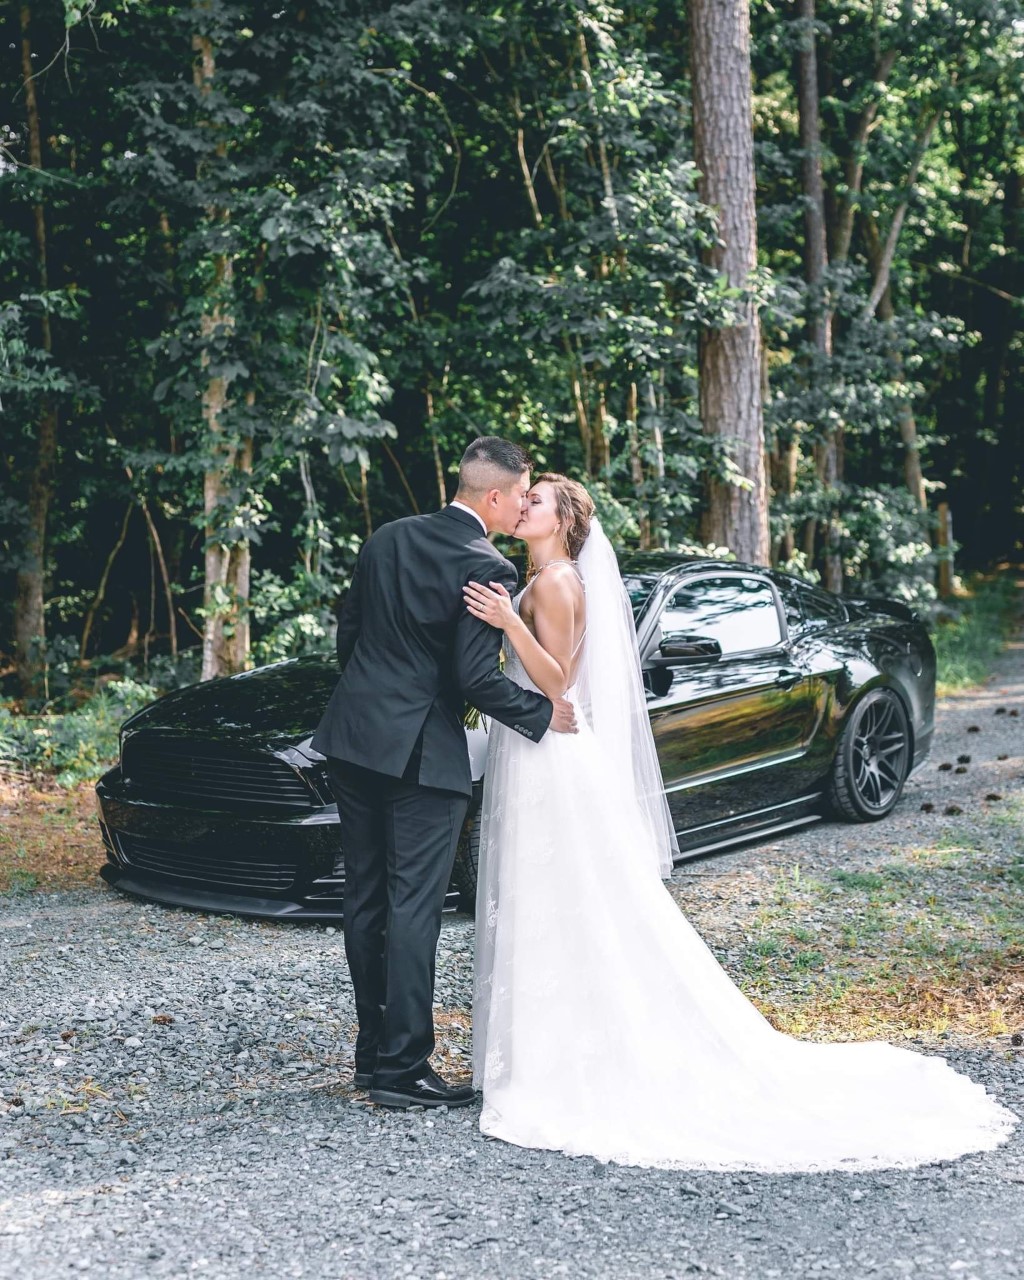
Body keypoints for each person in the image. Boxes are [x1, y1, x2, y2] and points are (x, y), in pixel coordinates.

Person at [463, 473, 1016, 1171]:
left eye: (536, 499)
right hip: (542, 751)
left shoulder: (555, 583)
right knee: (558, 903)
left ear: (564, 521)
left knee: (565, 902)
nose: (523, 504)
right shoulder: (542, 577)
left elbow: (557, 683)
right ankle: (547, 1051)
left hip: (552, 755)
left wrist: (508, 623)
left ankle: (560, 1061)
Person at [311, 438, 577, 1110]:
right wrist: (542, 715)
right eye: (520, 496)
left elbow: (350, 638)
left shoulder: (387, 538)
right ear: (495, 496)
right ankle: (403, 1071)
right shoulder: (484, 563)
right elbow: (473, 678)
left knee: (365, 899)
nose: (521, 508)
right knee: (413, 907)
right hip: (420, 757)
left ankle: (373, 1057)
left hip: (352, 739)